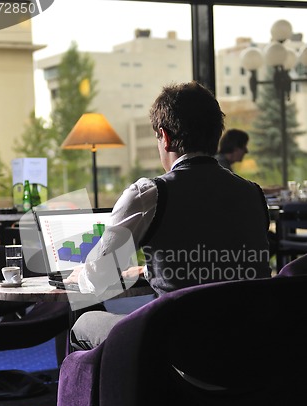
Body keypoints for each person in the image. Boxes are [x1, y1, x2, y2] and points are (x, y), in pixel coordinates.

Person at [65, 81, 271, 351]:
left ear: (165, 136)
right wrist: (153, 268)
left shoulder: (149, 194)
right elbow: (217, 259)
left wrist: (81, 274)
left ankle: (110, 392)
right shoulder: (253, 194)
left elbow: (100, 280)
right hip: (250, 347)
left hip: (181, 351)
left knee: (84, 322)